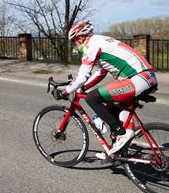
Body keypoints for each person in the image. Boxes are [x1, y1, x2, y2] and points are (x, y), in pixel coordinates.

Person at [53, 21, 158, 158]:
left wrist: (65, 91)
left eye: (74, 42)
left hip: (138, 79)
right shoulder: (101, 41)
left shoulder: (91, 46)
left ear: (80, 37)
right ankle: (119, 150)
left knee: (92, 98)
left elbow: (83, 75)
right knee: (112, 110)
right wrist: (83, 87)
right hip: (146, 78)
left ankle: (123, 133)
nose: (75, 45)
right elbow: (101, 72)